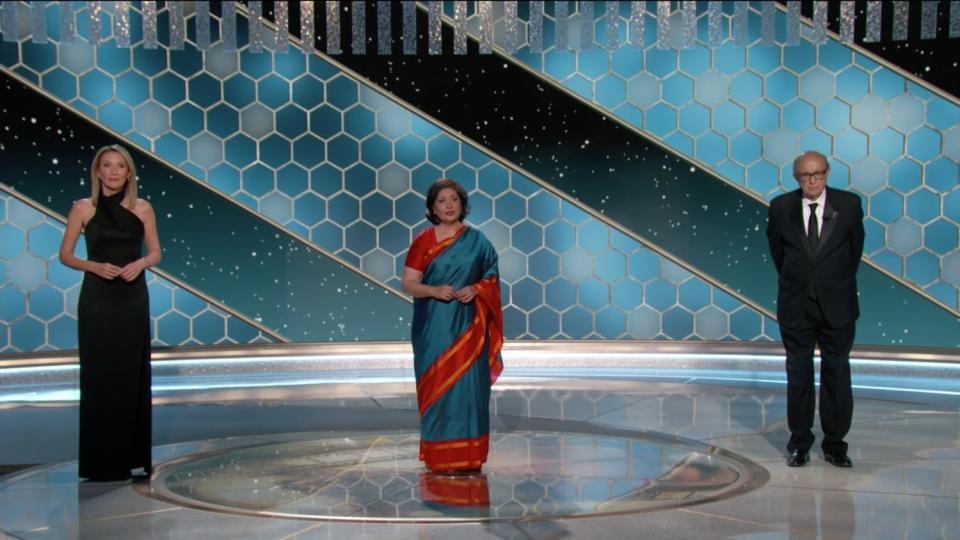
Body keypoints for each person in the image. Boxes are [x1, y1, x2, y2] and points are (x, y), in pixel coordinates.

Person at [59, 144, 161, 481]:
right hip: (98, 300)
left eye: (120, 166)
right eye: (107, 165)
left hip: (132, 298)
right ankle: (101, 463)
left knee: (130, 376)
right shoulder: (82, 209)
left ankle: (131, 457)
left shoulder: (142, 208)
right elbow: (66, 255)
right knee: (100, 377)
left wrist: (141, 263)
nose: (114, 172)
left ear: (129, 173)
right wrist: (95, 266)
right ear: (97, 171)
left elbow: (156, 252)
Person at [766, 151, 864, 468]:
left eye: (818, 174)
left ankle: (835, 445)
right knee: (799, 376)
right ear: (796, 177)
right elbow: (778, 253)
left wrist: (830, 281)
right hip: (796, 306)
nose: (813, 180)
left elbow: (854, 252)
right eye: (806, 175)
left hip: (837, 304)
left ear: (827, 173)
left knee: (837, 373)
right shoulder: (781, 207)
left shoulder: (848, 205)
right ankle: (799, 444)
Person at [401, 178, 503, 474]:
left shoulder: (478, 241)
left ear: (462, 204)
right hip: (433, 329)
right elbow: (408, 283)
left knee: (469, 391)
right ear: (432, 207)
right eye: (442, 200)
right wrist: (434, 291)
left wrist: (476, 289)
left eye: (454, 200)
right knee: (438, 390)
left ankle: (469, 456)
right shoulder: (422, 241)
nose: (448, 205)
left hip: (469, 328)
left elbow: (492, 277)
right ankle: (439, 457)